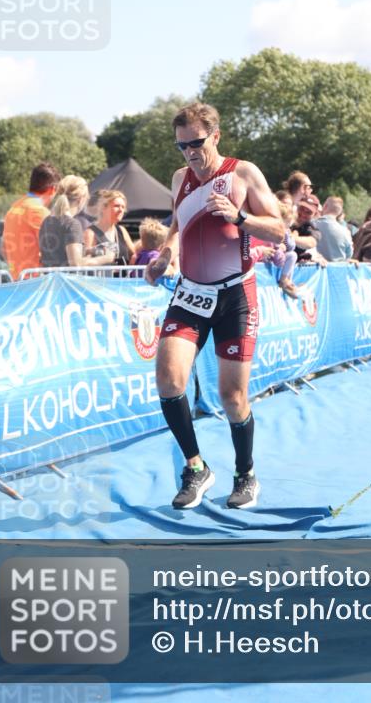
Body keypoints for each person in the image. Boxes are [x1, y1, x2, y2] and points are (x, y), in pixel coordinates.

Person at [145, 101, 284, 511]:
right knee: (168, 379)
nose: (189, 152)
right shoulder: (179, 178)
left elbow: (278, 229)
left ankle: (245, 473)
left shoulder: (244, 173)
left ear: (216, 136)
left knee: (232, 396)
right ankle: (196, 467)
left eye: (196, 143)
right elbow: (177, 224)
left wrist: (239, 218)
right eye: (181, 146)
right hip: (190, 292)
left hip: (235, 295)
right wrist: (166, 254)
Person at [40, 176, 120, 268]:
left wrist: (88, 251)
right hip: (67, 277)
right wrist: (106, 258)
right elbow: (75, 263)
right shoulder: (72, 224)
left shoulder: (47, 221)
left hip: (49, 276)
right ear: (81, 199)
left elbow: (60, 252)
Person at [2, 162, 60, 279]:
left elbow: (3, 247)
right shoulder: (39, 211)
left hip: (15, 276)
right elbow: (52, 251)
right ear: (53, 189)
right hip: (34, 279)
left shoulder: (15, 206)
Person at [83, 190, 135, 266]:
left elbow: (134, 254)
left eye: (123, 207)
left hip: (122, 274)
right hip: (101, 274)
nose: (121, 210)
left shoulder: (121, 230)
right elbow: (85, 262)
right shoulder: (91, 233)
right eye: (116, 206)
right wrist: (104, 258)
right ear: (104, 207)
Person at [315, 196, 353, 262]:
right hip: (338, 267)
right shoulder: (345, 232)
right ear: (339, 212)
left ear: (325, 206)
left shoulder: (312, 225)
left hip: (315, 266)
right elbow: (349, 254)